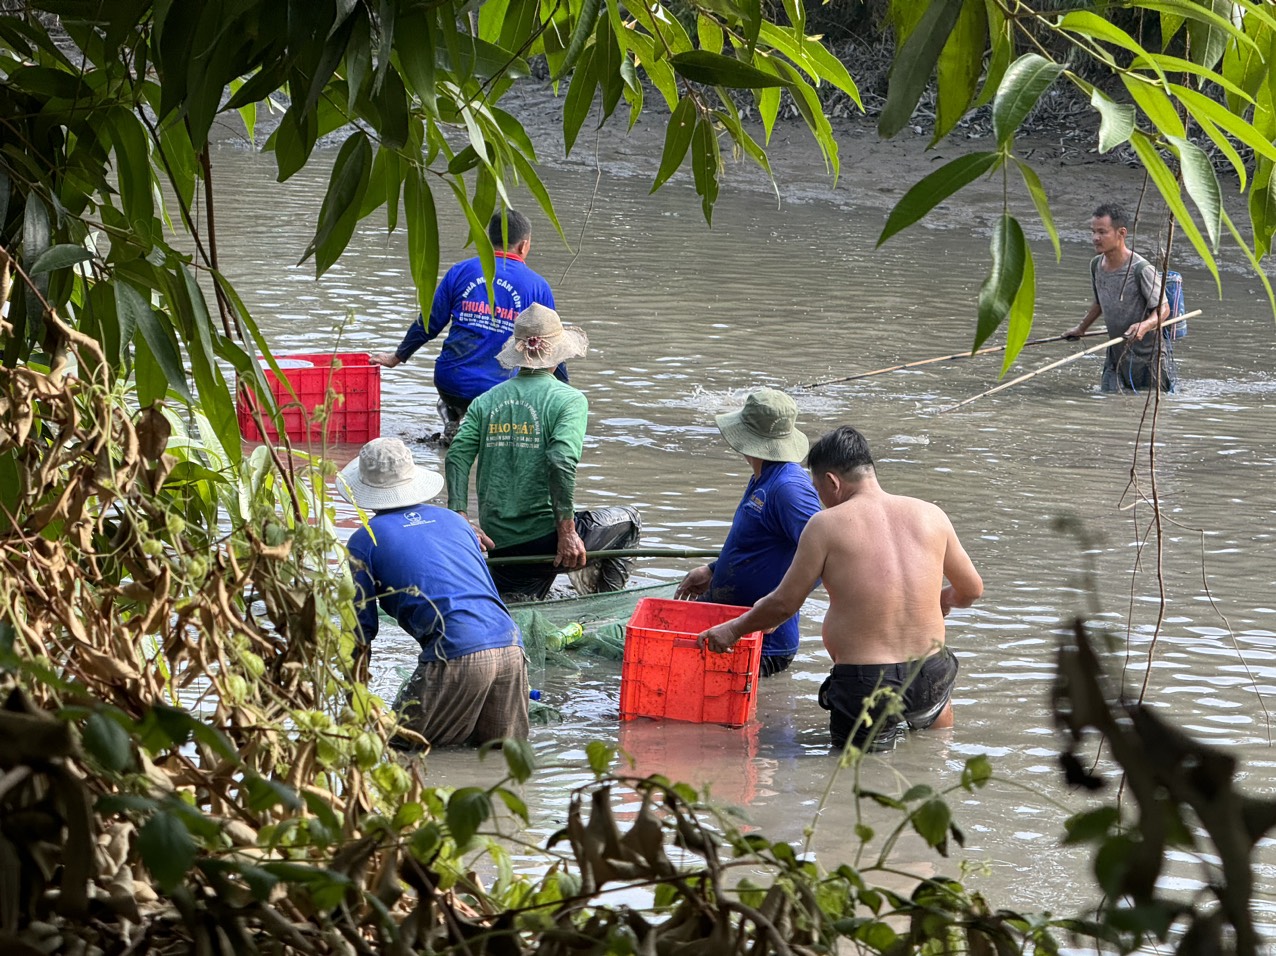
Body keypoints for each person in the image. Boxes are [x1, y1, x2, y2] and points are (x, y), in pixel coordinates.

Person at [696, 426, 983, 752]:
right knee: (932, 755)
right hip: (931, 670)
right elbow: (971, 589)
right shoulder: (932, 515)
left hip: (866, 682)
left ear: (832, 482)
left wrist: (732, 630)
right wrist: (943, 599)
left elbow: (783, 604)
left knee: (856, 783)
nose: (821, 500)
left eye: (819, 490)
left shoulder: (825, 526)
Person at [338, 437, 528, 748]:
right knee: (498, 758)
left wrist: (354, 697)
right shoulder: (457, 521)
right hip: (510, 646)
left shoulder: (365, 539)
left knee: (398, 751)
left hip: (455, 652)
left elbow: (360, 632)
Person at [445, 303, 641, 601]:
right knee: (630, 519)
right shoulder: (569, 400)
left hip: (499, 541)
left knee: (522, 608)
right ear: (558, 353)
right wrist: (567, 531)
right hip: (547, 539)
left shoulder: (486, 401)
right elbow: (560, 459)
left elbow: (457, 454)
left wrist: (459, 516)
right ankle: (602, 606)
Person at [372, 209, 560, 444]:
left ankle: (454, 418)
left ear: (488, 240)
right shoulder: (537, 287)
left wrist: (396, 357)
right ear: (524, 246)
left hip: (450, 383)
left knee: (458, 398)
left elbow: (428, 323)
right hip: (500, 391)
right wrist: (563, 396)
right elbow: (552, 346)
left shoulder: (460, 272)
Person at [674, 388, 821, 677]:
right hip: (727, 628)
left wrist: (784, 606)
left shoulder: (790, 489)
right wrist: (714, 570)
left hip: (760, 643)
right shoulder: (763, 477)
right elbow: (757, 544)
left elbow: (828, 557)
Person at [1063, 203, 1173, 392]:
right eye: (1093, 232)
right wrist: (1081, 328)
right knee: (1109, 401)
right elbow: (1100, 302)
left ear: (1121, 233)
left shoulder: (1141, 269)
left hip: (1148, 357)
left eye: (1102, 232)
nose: (1095, 238)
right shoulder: (1096, 265)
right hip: (1115, 355)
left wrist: (1144, 326)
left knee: (1145, 403)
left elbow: (1164, 308)